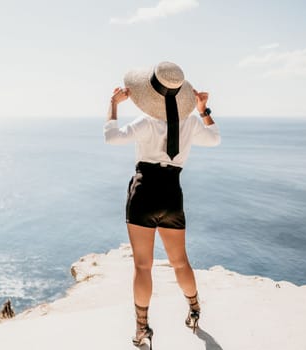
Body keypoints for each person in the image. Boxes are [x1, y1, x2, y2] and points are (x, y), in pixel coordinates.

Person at [103, 61, 220, 349]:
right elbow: (215, 139)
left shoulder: (146, 123)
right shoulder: (191, 122)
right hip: (171, 194)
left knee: (143, 266)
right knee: (180, 262)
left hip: (143, 194)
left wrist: (113, 105)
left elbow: (111, 137)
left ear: (151, 95)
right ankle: (194, 310)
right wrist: (203, 109)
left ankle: (142, 329)